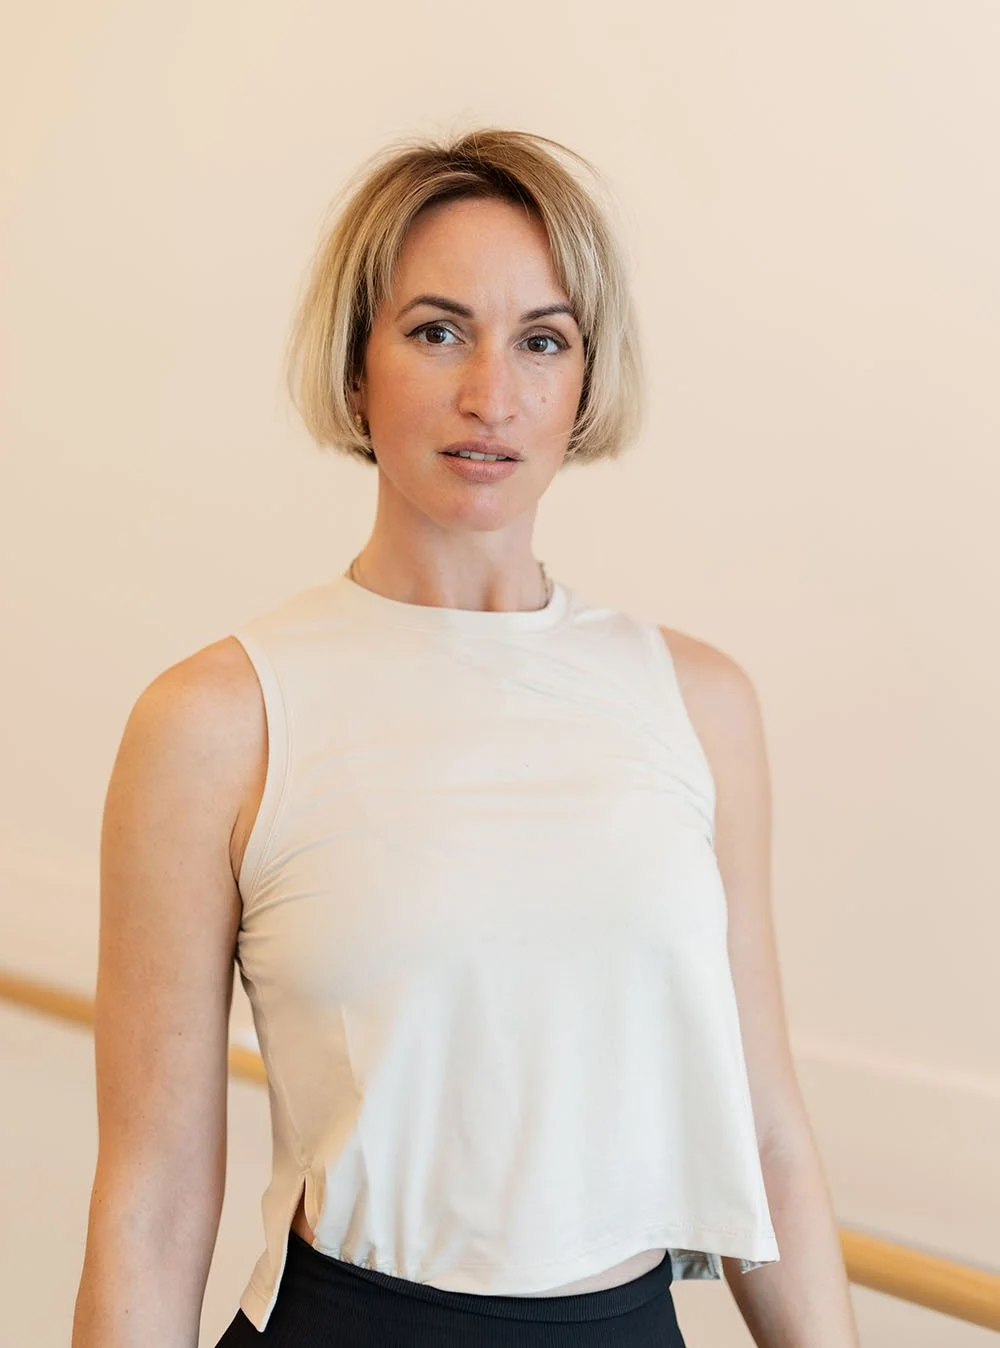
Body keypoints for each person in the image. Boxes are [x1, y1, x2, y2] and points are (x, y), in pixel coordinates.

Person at [72, 128, 858, 1347]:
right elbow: (154, 1194)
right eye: (437, 331)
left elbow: (765, 1135)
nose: (491, 395)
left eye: (540, 340)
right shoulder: (216, 723)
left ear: (585, 384)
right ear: (354, 370)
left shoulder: (699, 704)